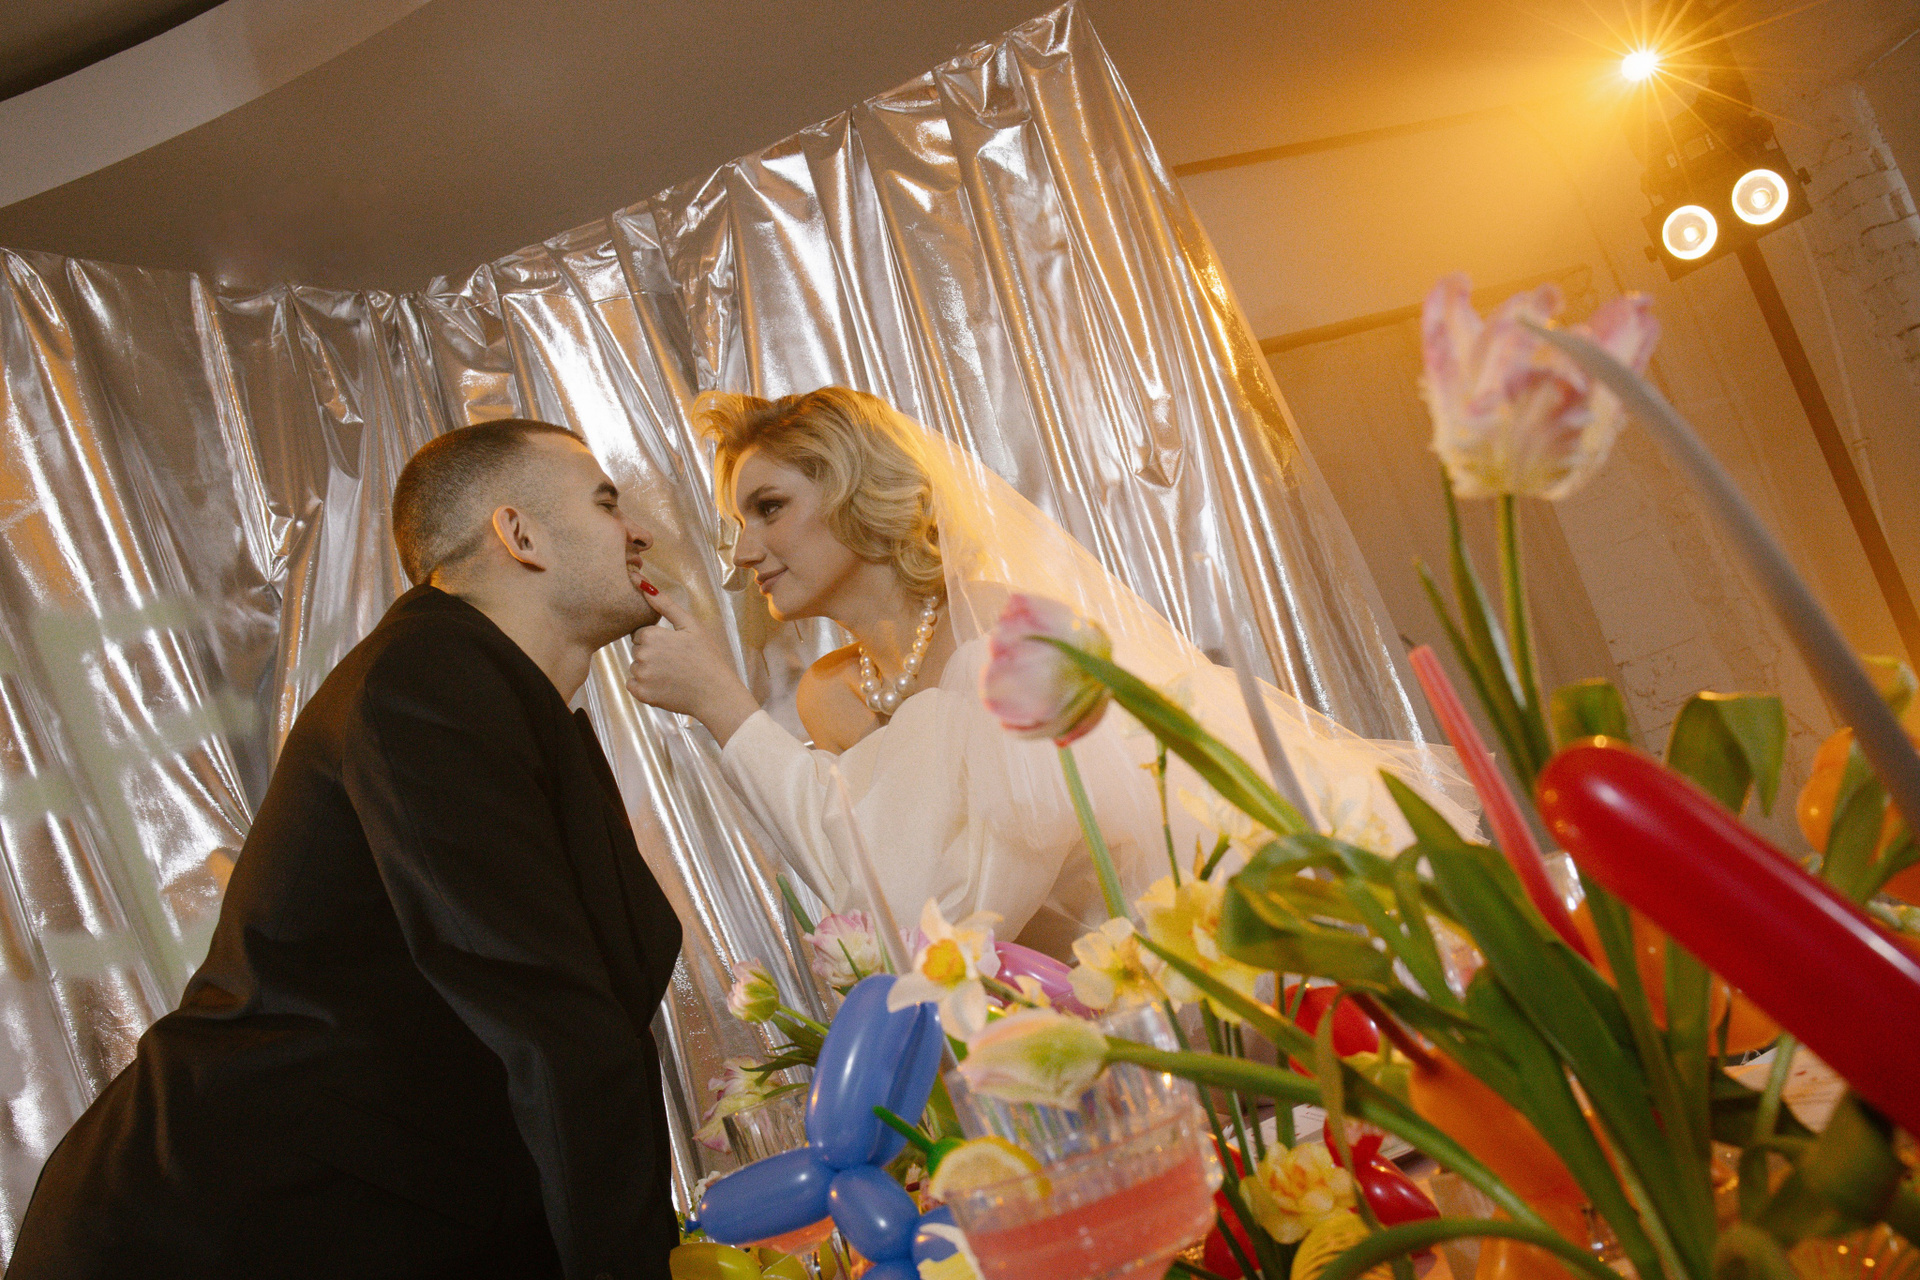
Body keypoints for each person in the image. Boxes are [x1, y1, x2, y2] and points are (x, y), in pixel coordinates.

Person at [11, 419, 685, 1279]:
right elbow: (550, 1013)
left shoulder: (500, 700)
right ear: (520, 535)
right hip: (203, 1233)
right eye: (606, 504)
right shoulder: (426, 675)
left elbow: (579, 1017)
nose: (639, 531)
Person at [626, 387, 1475, 959]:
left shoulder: (1013, 637)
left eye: (769, 508)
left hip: (1233, 953)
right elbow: (882, 889)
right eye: (737, 522)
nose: (742, 554)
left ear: (856, 488)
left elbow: (953, 907)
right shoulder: (828, 696)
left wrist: (725, 707)